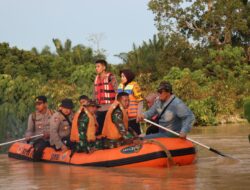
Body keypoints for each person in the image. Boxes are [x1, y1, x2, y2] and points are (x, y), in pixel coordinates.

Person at [25, 95, 54, 161]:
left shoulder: (53, 114)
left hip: (52, 139)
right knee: (39, 149)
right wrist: (28, 136)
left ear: (45, 104)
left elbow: (58, 129)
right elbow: (29, 130)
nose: (37, 106)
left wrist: (49, 134)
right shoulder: (33, 116)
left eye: (39, 104)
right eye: (36, 104)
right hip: (39, 140)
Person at [93, 59, 118, 135]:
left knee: (111, 129)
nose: (96, 68)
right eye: (96, 67)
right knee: (99, 129)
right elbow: (94, 94)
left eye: (98, 66)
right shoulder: (96, 79)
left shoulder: (110, 77)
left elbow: (117, 91)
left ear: (104, 67)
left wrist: (115, 106)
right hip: (99, 109)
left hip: (109, 108)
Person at [118, 69, 143, 135]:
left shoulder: (134, 85)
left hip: (133, 117)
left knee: (136, 135)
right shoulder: (120, 86)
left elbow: (140, 101)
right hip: (123, 116)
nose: (122, 78)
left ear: (128, 76)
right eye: (121, 76)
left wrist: (139, 114)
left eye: (123, 76)